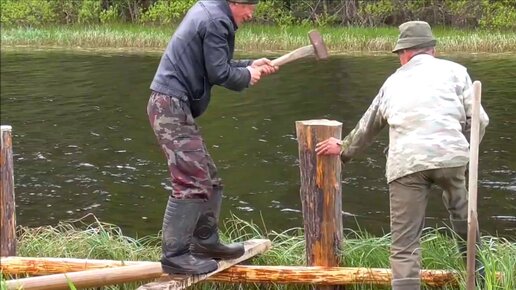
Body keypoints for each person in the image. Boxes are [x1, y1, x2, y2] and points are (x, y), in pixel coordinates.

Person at [315, 21, 489, 290]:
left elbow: (369, 124)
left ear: (406, 53)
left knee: (405, 243)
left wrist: (344, 148)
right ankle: (477, 276)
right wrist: (464, 148)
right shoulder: (457, 72)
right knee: (464, 217)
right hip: (452, 156)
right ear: (431, 50)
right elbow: (480, 120)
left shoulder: (393, 82)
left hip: (406, 163)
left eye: (399, 56)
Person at [147, 0, 278, 275]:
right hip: (169, 105)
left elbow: (214, 64)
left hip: (171, 105)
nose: (251, 13)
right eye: (248, 7)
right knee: (191, 181)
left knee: (209, 178)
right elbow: (220, 73)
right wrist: (246, 75)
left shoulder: (210, 11)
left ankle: (205, 242)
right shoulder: (216, 20)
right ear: (233, 2)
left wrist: (250, 64)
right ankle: (175, 256)